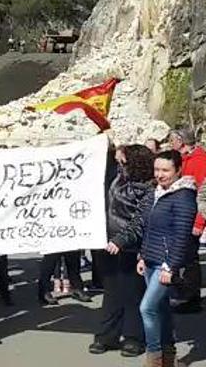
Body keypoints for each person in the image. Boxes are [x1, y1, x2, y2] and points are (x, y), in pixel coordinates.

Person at [88, 145, 152, 357]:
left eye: (121, 160)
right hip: (108, 243)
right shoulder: (116, 179)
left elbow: (140, 221)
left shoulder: (147, 187)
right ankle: (107, 336)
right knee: (112, 291)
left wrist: (122, 240)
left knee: (133, 293)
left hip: (131, 246)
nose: (118, 163)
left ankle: (134, 337)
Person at [138, 150, 197, 367]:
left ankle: (154, 358)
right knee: (160, 309)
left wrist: (170, 266)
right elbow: (149, 229)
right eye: (157, 169)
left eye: (165, 170)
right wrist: (143, 256)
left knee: (147, 308)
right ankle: (168, 357)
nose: (160, 175)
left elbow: (182, 236)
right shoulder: (157, 193)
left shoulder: (183, 196)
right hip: (151, 259)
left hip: (166, 263)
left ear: (178, 170)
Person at [168, 128, 205, 313]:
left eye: (172, 140)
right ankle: (183, 293)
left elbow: (202, 194)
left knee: (190, 257)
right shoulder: (185, 159)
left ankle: (191, 298)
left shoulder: (199, 161)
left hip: (191, 216)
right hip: (182, 213)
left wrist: (199, 222)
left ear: (181, 141)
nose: (170, 144)